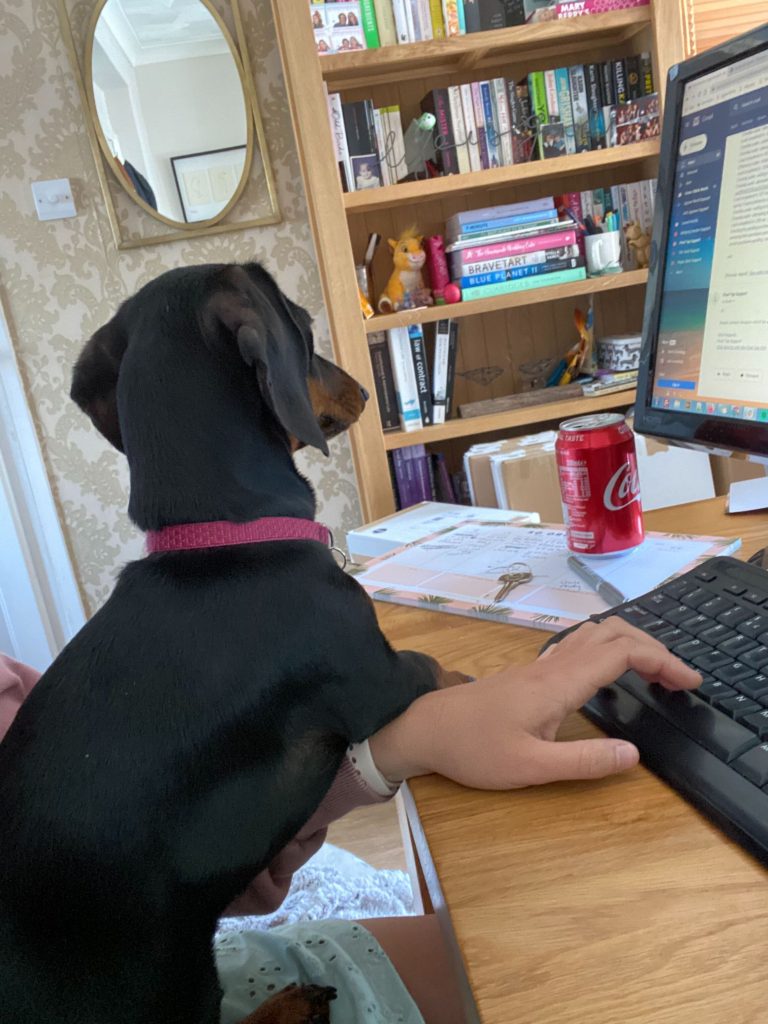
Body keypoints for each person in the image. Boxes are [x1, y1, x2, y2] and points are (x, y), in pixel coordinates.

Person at [0, 618, 700, 1023]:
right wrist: (395, 747)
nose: (20, 683)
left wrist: (397, 745)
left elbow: (155, 848)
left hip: (204, 967)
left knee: (536, 953)